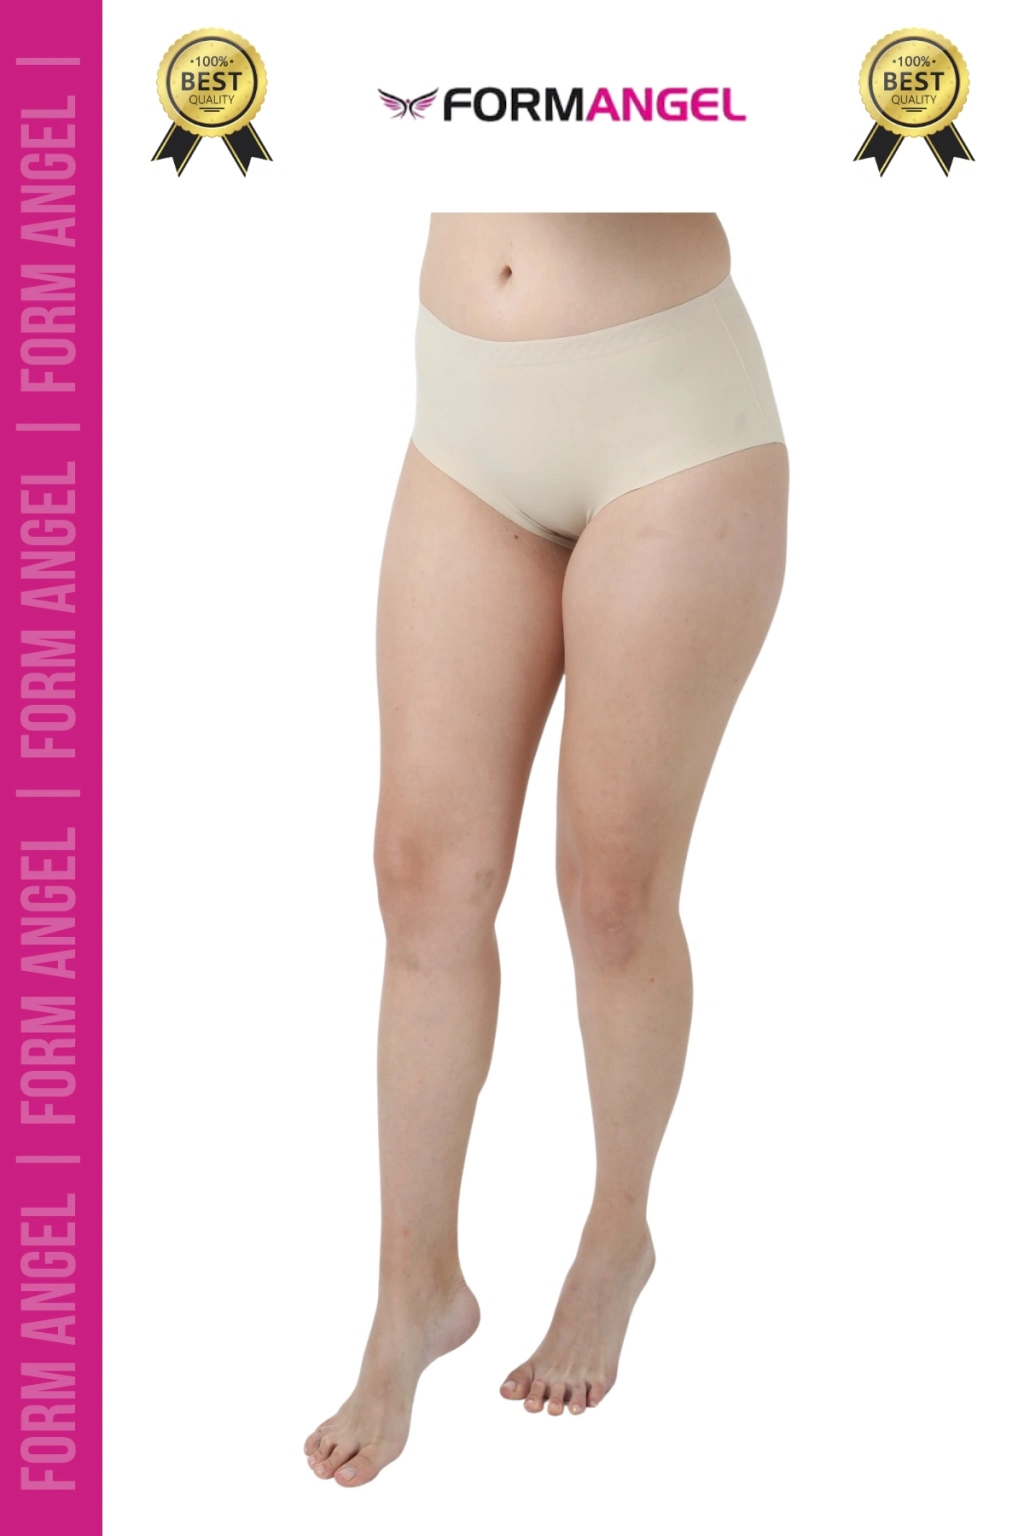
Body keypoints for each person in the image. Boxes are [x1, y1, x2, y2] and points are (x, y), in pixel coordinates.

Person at [305, 213, 789, 1486]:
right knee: (423, 880)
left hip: (669, 422)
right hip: (466, 420)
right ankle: (414, 1290)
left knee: (614, 893)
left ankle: (617, 1234)